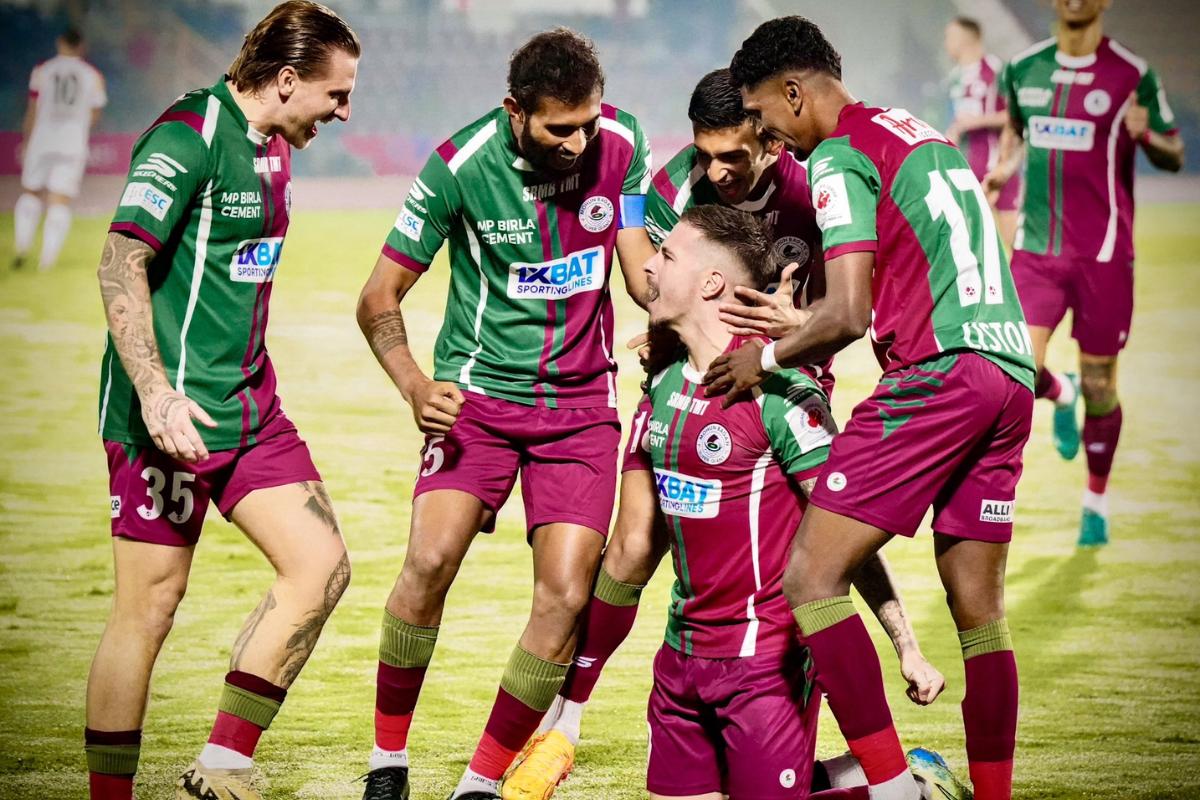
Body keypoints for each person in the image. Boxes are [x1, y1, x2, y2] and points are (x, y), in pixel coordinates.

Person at [505, 69, 944, 800]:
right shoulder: (675, 183)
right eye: (705, 155)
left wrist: (786, 341)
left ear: (771, 139)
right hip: (687, 378)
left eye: (734, 156)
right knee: (634, 545)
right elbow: (649, 272)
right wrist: (666, 332)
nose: (718, 172)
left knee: (801, 560)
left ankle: (886, 777)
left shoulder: (817, 189)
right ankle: (569, 717)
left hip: (782, 382)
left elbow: (856, 304)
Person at [709, 16, 1037, 800]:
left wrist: (766, 357)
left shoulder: (836, 156)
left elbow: (850, 312)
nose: (765, 134)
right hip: (1007, 370)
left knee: (811, 580)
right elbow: (907, 277)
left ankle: (891, 790)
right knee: (981, 617)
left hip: (940, 380)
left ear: (794, 92)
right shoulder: (917, 131)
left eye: (760, 115)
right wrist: (808, 324)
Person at [355, 27, 652, 800]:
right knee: (427, 564)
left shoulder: (623, 143)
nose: (579, 141)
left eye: (587, 121)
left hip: (583, 410)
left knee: (563, 595)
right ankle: (388, 763)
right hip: (477, 401)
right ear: (515, 111)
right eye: (561, 127)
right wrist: (417, 386)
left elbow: (639, 269)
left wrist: (687, 304)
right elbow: (377, 298)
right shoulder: (457, 167)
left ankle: (480, 785)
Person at [86, 4, 359, 799]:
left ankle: (223, 766)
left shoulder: (274, 147)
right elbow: (119, 259)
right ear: (284, 82)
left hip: (250, 410)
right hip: (163, 423)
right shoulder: (187, 136)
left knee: (321, 569)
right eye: (336, 95)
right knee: (150, 609)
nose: (344, 112)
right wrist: (156, 393)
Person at [644, 205, 964, 800]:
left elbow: (844, 543)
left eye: (665, 256)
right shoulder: (660, 387)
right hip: (679, 662)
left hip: (764, 665)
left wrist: (907, 647)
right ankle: (856, 777)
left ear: (711, 283)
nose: (646, 264)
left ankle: (912, 790)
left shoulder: (784, 397)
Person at [984, 0, 1184, 546]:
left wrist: (1149, 137)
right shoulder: (1023, 68)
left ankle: (1096, 498)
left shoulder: (1131, 74)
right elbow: (1014, 132)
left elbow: (1175, 153)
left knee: (1102, 385)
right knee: (1015, 368)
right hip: (1038, 252)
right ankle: (1061, 395)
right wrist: (1003, 167)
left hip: (1105, 256)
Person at [12, 28, 106, 271]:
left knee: (31, 192)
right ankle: (47, 261)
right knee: (60, 200)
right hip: (72, 142)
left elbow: (32, 107)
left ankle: (22, 249)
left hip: (42, 138)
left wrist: (27, 138)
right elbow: (95, 112)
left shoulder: (43, 69)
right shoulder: (92, 74)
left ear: (60, 43)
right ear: (82, 46)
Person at [943, 16, 1020, 248]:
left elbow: (1016, 116)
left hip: (999, 164)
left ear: (964, 39)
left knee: (1012, 240)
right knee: (967, 241)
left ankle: (1022, 283)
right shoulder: (953, 78)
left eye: (949, 37)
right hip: (966, 166)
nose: (946, 43)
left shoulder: (997, 70)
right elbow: (957, 120)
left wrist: (978, 121)